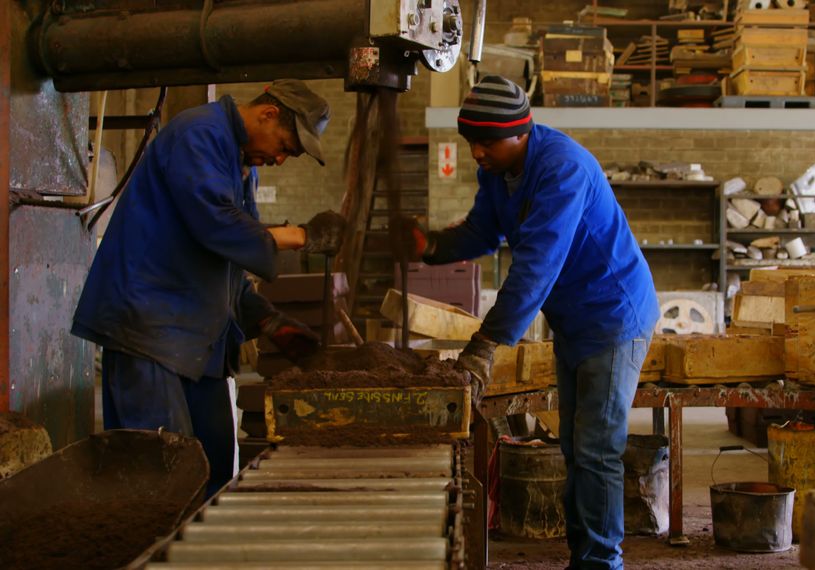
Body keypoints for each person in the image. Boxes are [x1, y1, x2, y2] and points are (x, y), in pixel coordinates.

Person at [402, 75, 659, 569]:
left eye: (488, 142)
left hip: (613, 316)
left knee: (597, 448)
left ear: (522, 130)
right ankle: (583, 555)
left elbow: (537, 264)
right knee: (573, 445)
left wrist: (486, 343)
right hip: (573, 320)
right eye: (471, 141)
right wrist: (431, 246)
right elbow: (482, 229)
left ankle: (603, 562)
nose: (477, 152)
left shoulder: (562, 169)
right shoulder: (497, 172)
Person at [72, 79, 346, 496]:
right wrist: (302, 236)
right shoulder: (198, 134)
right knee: (160, 478)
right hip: (149, 333)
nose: (281, 159)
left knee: (215, 472)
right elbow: (216, 224)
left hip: (197, 343)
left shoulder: (241, 165)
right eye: (286, 146)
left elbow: (228, 260)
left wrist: (266, 320)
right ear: (268, 113)